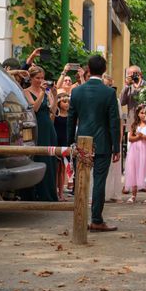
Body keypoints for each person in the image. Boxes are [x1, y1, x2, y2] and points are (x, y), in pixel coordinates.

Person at [67, 55, 121, 232]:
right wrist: (116, 147)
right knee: (99, 182)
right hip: (103, 142)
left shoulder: (76, 92)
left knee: (81, 179)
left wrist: (70, 142)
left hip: (82, 141)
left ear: (88, 69)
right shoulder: (109, 92)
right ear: (104, 70)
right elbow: (114, 121)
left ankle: (80, 217)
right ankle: (97, 219)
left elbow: (71, 118)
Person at [24, 66, 59, 202]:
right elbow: (35, 108)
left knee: (50, 161)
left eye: (42, 78)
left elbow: (53, 111)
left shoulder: (47, 91)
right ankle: (36, 193)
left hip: (48, 127)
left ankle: (49, 194)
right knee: (38, 158)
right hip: (36, 127)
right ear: (31, 79)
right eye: (37, 78)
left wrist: (54, 96)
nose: (40, 80)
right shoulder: (26, 91)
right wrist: (42, 94)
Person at [124, 104, 146, 204]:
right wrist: (138, 138)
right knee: (134, 171)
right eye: (141, 113)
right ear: (138, 114)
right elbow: (130, 138)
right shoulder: (134, 125)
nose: (143, 115)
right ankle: (133, 195)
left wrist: (142, 136)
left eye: (145, 113)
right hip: (135, 152)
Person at [103, 73, 123, 202]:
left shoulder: (116, 101)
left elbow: (119, 120)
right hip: (102, 133)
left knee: (113, 165)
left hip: (113, 133)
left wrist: (119, 136)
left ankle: (112, 192)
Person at [54, 92, 70, 201]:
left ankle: (61, 193)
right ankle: (54, 192)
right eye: (64, 102)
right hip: (56, 142)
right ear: (59, 103)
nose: (67, 104)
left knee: (63, 168)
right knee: (56, 168)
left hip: (66, 142)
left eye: (68, 102)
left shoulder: (71, 115)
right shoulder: (55, 115)